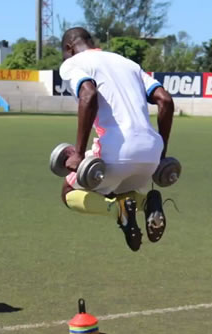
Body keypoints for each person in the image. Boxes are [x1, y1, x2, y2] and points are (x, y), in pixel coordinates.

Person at [58, 27, 174, 252]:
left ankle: (117, 211)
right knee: (115, 191)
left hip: (115, 151)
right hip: (150, 156)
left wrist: (79, 154)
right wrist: (162, 155)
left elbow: (88, 95)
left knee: (68, 192)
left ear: (68, 48)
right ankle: (147, 203)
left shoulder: (73, 63)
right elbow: (165, 101)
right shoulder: (128, 64)